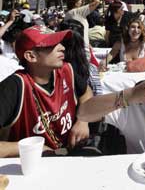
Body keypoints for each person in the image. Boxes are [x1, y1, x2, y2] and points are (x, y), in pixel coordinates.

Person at [0, 26, 92, 157]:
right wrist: (32, 148)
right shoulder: (13, 86)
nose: (62, 48)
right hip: (30, 166)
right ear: (31, 56)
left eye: (60, 42)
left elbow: (86, 93)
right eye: (52, 45)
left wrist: (83, 120)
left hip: (69, 155)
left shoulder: (66, 70)